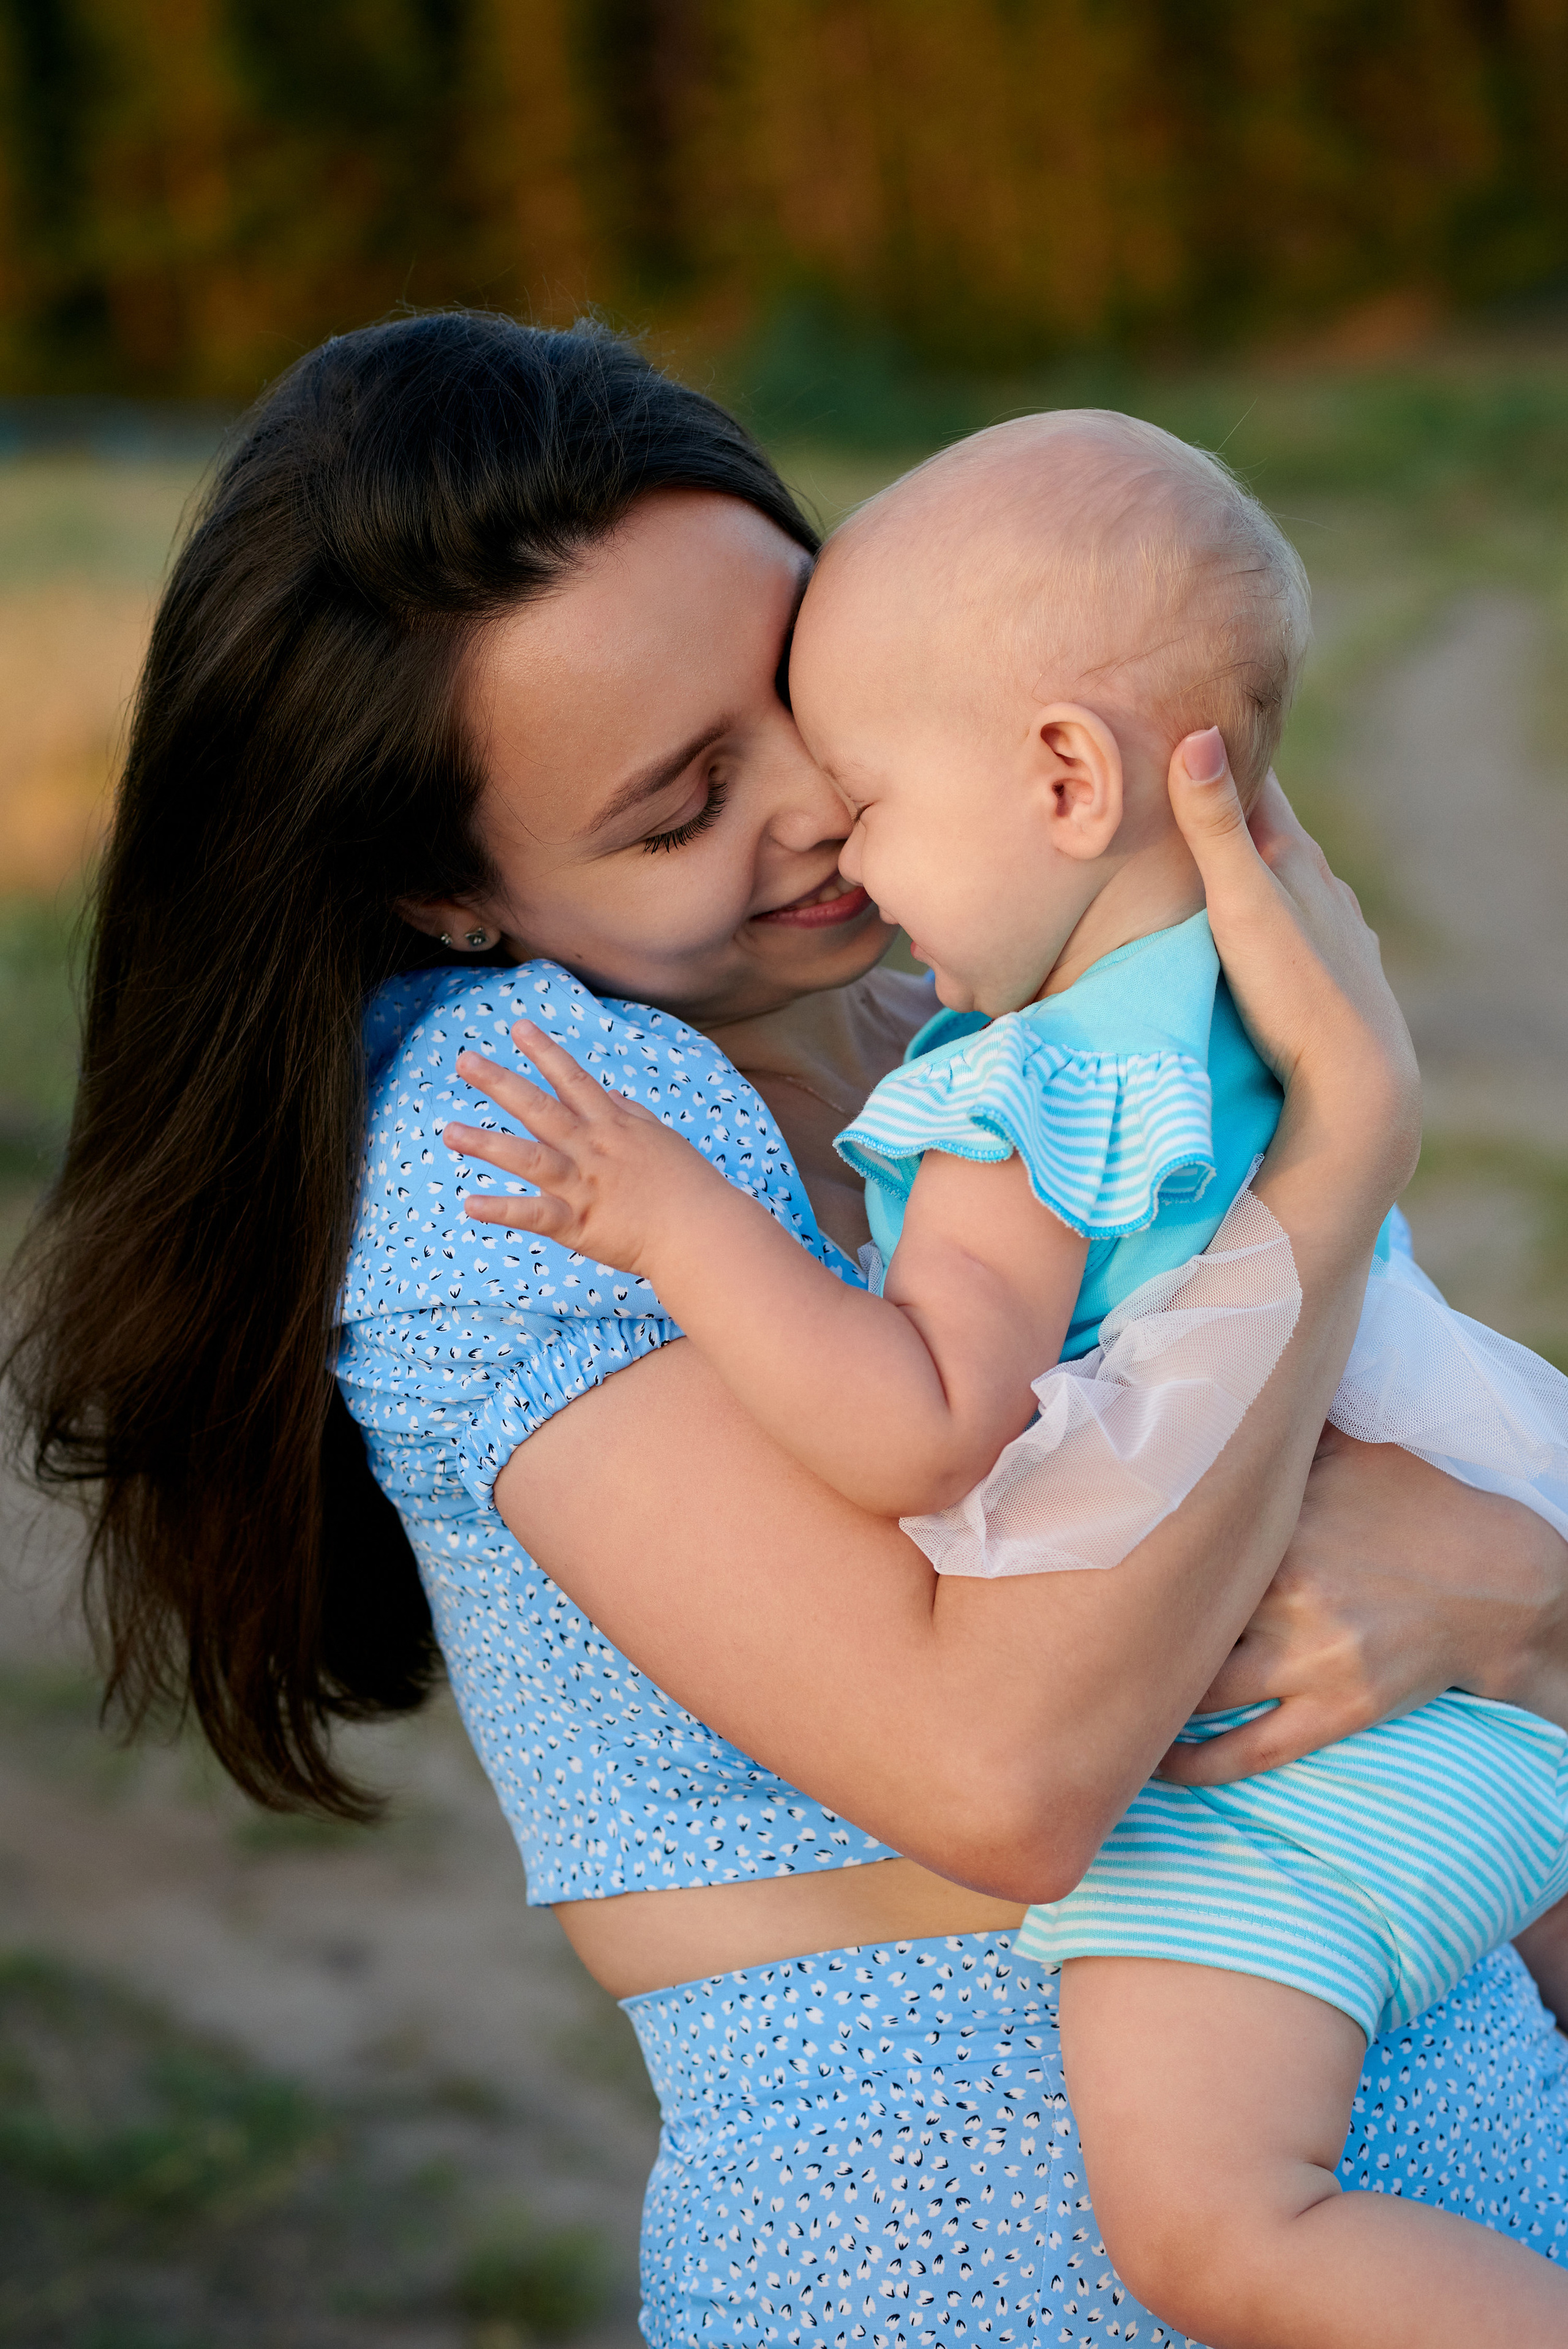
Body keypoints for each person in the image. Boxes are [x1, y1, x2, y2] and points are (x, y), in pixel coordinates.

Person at [8, 313, 1568, 2348]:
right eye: (677, 812)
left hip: (1473, 2142)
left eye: (811, 695)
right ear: (449, 891)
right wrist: (1337, 1156)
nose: (822, 810)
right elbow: (999, 1774)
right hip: (977, 2263)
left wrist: (1534, 1603)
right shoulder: (510, 1139)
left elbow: (1422, 1528)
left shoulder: (986, 1014)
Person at [448, 409, 1568, 2345]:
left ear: (1058, 767)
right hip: (1480, 1748)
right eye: (679, 806)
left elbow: (921, 1419)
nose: (826, 834)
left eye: (848, 767)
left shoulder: (1023, 1083)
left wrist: (671, 1228)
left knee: (1219, 2224)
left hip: (1301, 1799)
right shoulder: (1229, 998)